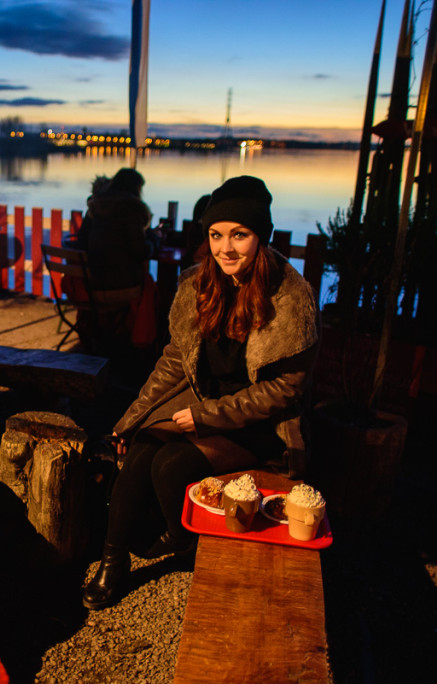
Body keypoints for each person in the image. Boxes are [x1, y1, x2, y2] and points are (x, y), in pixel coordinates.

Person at [81, 176, 320, 610]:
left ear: (259, 236)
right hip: (202, 410)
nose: (225, 248)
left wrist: (207, 416)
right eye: (216, 235)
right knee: (142, 448)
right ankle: (112, 560)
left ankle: (182, 540)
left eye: (239, 235)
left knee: (171, 465)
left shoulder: (289, 296)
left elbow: (287, 390)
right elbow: (175, 361)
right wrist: (131, 418)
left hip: (258, 424)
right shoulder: (198, 286)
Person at [75, 167, 155, 291]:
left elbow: (82, 241)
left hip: (93, 280)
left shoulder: (97, 205)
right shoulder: (132, 208)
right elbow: (140, 252)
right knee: (149, 284)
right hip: (121, 282)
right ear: (135, 188)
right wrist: (154, 240)